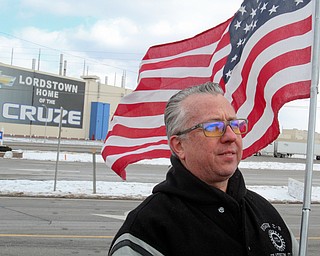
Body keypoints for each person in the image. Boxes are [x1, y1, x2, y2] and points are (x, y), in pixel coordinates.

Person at [108, 81, 298, 256]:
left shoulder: (268, 215)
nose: (231, 136)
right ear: (179, 146)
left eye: (235, 124)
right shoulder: (147, 233)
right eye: (214, 127)